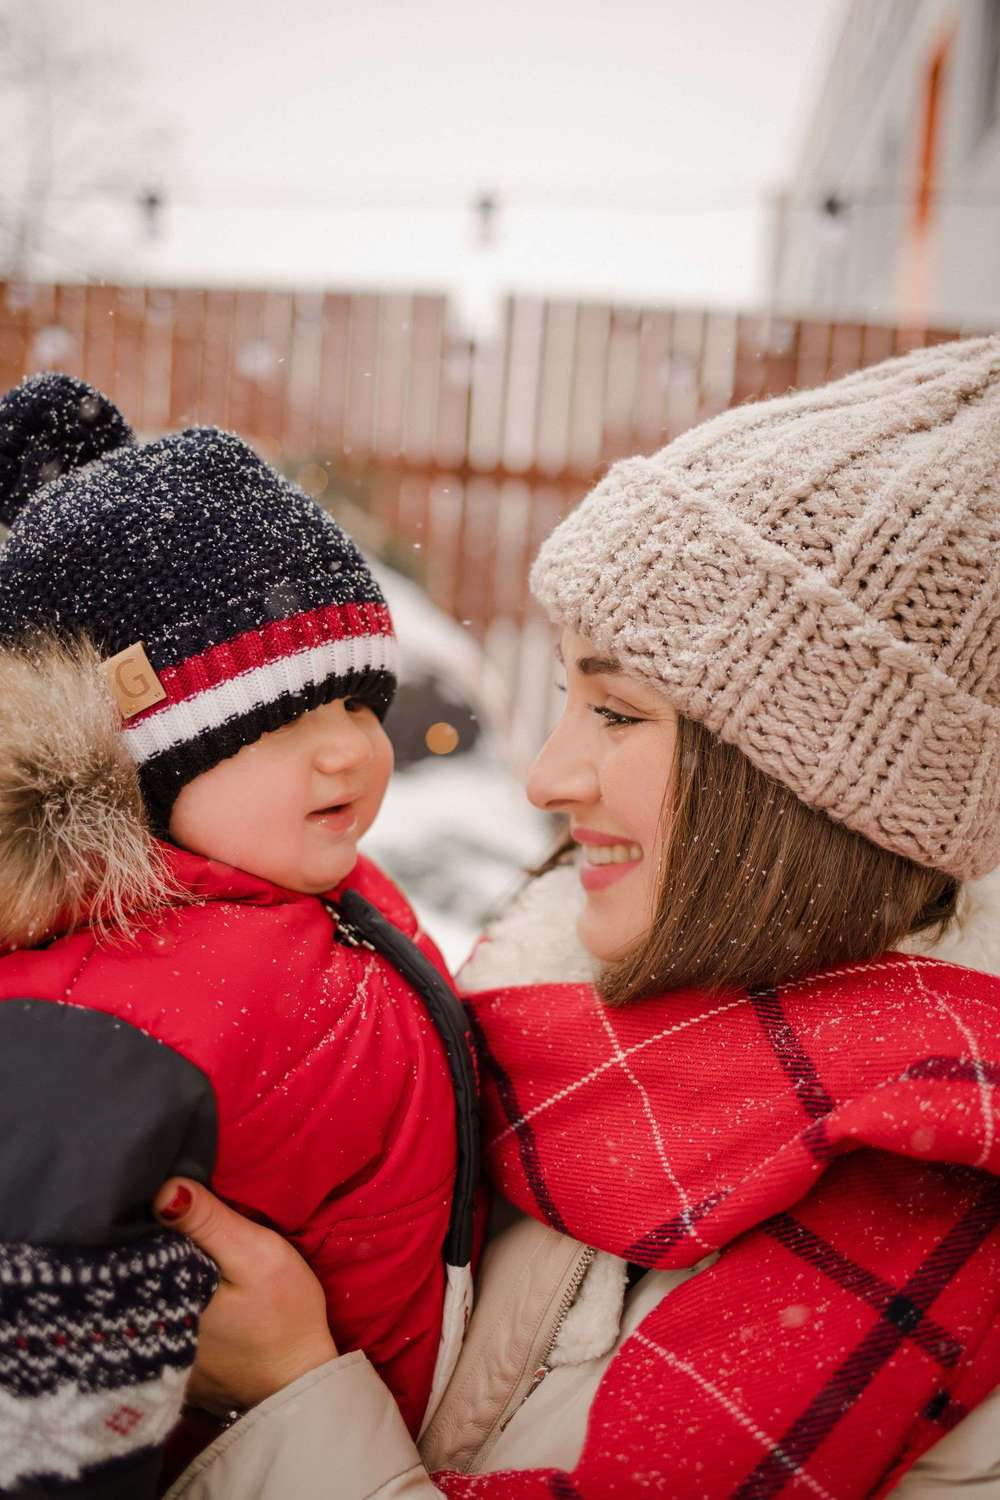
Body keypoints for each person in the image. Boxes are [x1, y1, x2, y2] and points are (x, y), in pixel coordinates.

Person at [152, 333, 1000, 1498]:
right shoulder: (539, 1040)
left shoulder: (944, 1226)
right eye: (565, 699)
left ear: (806, 788)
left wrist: (293, 1388)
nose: (545, 777)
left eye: (617, 713)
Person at [0, 374, 479, 1498]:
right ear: (137, 762)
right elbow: (37, 1382)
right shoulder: (97, 1010)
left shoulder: (307, 889)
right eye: (285, 720)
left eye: (361, 703)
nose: (352, 754)